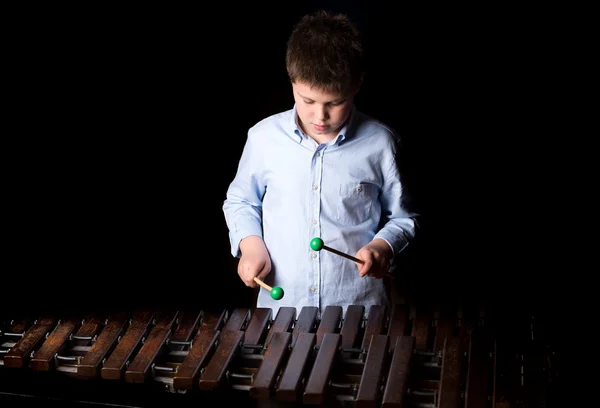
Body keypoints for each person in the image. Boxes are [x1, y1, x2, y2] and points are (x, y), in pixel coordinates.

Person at [222, 10, 418, 319]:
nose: (320, 117)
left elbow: (404, 219)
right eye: (308, 100)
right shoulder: (263, 139)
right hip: (282, 312)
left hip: (359, 311)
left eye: (335, 103)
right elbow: (241, 200)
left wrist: (383, 246)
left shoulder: (381, 144)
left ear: (357, 84)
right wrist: (250, 244)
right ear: (292, 82)